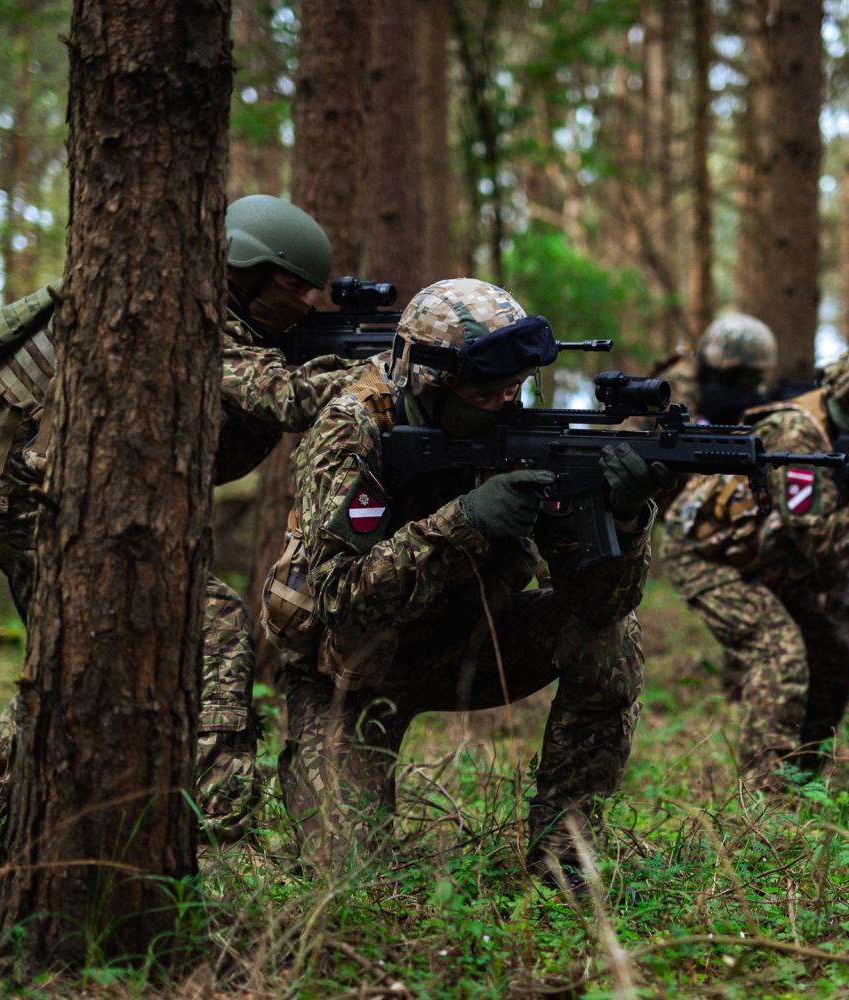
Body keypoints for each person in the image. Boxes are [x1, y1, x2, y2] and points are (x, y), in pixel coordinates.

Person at [0, 194, 354, 839]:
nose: (307, 304)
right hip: (36, 497)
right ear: (243, 269)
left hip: (25, 491)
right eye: (293, 288)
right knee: (209, 620)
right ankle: (220, 821)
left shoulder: (186, 297)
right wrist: (379, 379)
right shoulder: (185, 312)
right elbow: (282, 394)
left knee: (84, 648)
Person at [271, 277, 664, 879]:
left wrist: (626, 519)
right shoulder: (352, 428)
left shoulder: (520, 434)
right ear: (429, 383)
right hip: (349, 671)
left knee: (611, 635)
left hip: (467, 646)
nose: (506, 403)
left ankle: (565, 853)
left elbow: (598, 605)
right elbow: (337, 600)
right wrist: (466, 521)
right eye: (485, 393)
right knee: (344, 876)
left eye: (515, 387)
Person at [661, 337, 849, 783]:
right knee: (778, 652)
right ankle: (764, 794)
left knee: (832, 661)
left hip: (770, 561)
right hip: (710, 557)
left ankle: (802, 779)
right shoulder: (796, 435)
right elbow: (818, 539)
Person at [650, 312, 779, 425]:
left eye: (754, 373)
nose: (749, 380)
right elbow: (674, 431)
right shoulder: (680, 378)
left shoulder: (750, 387)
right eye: (739, 372)